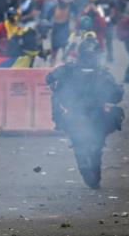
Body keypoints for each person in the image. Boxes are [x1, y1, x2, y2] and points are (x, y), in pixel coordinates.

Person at [46, 37, 124, 189]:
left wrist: (59, 88)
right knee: (97, 143)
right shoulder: (102, 73)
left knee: (80, 141)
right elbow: (118, 94)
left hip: (77, 112)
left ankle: (86, 166)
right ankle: (92, 169)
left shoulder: (69, 69)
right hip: (93, 113)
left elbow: (49, 78)